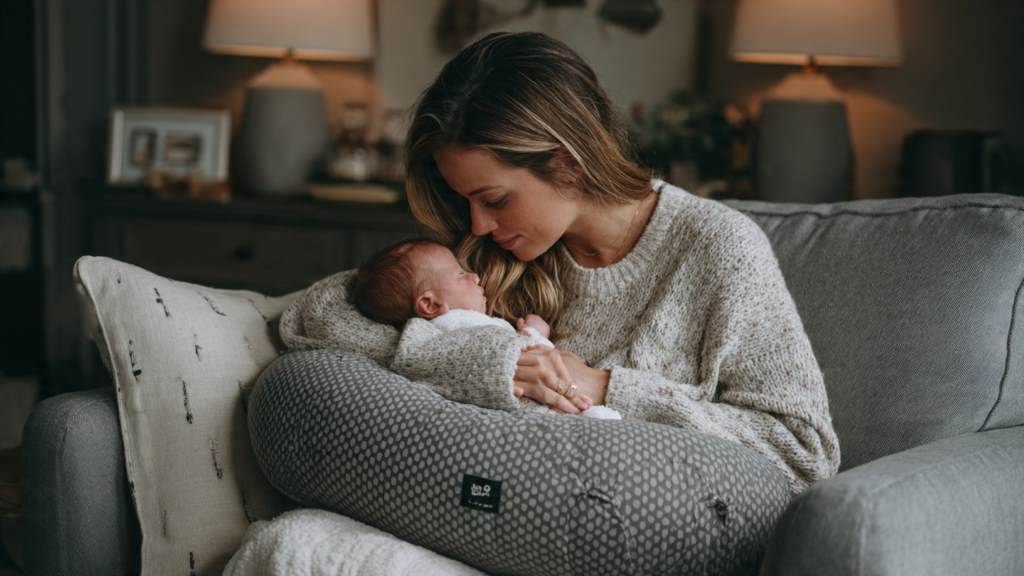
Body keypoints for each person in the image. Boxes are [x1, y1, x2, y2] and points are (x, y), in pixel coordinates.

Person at [281, 31, 840, 494]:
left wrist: (604, 388)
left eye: (494, 199)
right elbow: (319, 316)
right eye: (465, 201)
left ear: (566, 164)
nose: (474, 225)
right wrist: (483, 360)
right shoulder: (486, 254)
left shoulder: (719, 250)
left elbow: (805, 454)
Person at [350, 237, 623, 419]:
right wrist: (536, 333)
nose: (474, 276)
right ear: (430, 305)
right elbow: (518, 352)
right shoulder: (455, 325)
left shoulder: (455, 326)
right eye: (460, 275)